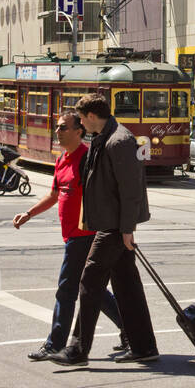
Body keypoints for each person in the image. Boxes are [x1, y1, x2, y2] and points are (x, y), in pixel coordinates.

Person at [50, 93, 158, 367]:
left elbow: (131, 189)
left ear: (91, 116)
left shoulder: (119, 140)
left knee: (89, 282)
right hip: (110, 223)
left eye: (82, 119)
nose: (81, 125)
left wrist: (127, 229)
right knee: (127, 286)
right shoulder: (105, 137)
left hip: (114, 226)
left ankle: (77, 349)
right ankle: (143, 346)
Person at [13, 110, 126, 362]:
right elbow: (54, 195)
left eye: (63, 127)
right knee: (93, 289)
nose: (57, 132)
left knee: (66, 290)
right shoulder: (62, 159)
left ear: (79, 131)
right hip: (72, 235)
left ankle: (55, 344)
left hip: (86, 235)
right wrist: (29, 213)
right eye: (57, 127)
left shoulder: (88, 159)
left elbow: (105, 194)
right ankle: (129, 328)